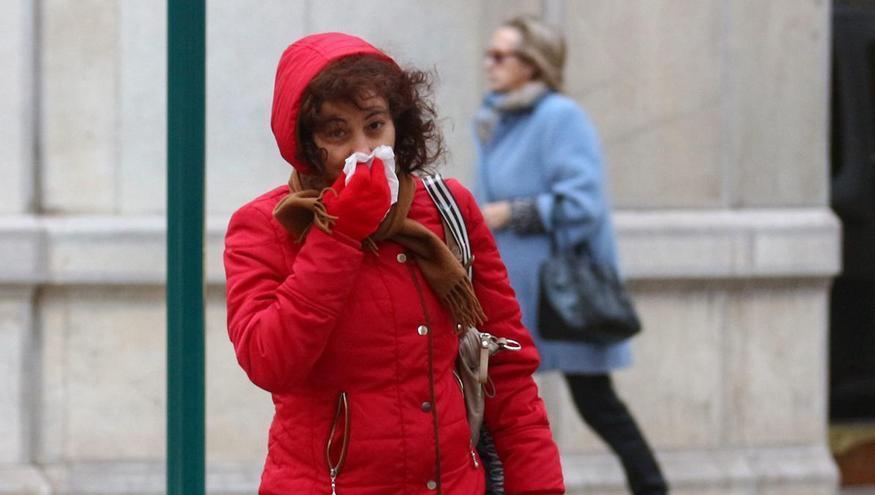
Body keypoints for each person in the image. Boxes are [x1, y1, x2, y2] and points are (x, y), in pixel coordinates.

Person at [223, 32, 564, 495]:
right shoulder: (267, 225)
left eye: (375, 125)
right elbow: (269, 362)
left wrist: (537, 484)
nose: (364, 150)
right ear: (305, 143)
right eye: (337, 132)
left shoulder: (448, 208)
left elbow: (507, 366)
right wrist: (338, 234)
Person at [473, 16, 669, 495]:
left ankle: (652, 486)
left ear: (532, 63)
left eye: (501, 56)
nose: (489, 65)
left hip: (557, 294)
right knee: (491, 401)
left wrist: (511, 213)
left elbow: (583, 204)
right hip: (510, 292)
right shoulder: (498, 119)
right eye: (489, 54)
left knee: (596, 401)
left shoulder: (561, 117)